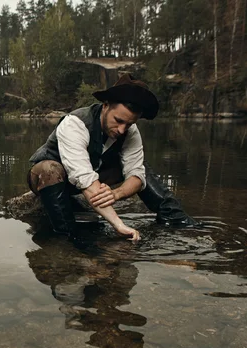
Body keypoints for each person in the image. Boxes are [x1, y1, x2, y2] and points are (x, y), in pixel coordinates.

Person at [27, 73, 197, 242]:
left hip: (94, 175)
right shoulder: (75, 123)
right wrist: (119, 224)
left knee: (140, 166)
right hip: (53, 179)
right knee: (49, 169)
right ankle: (68, 236)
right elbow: (84, 178)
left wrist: (116, 194)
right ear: (106, 105)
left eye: (129, 124)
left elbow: (137, 176)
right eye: (118, 120)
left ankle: (174, 217)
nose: (122, 130)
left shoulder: (130, 131)